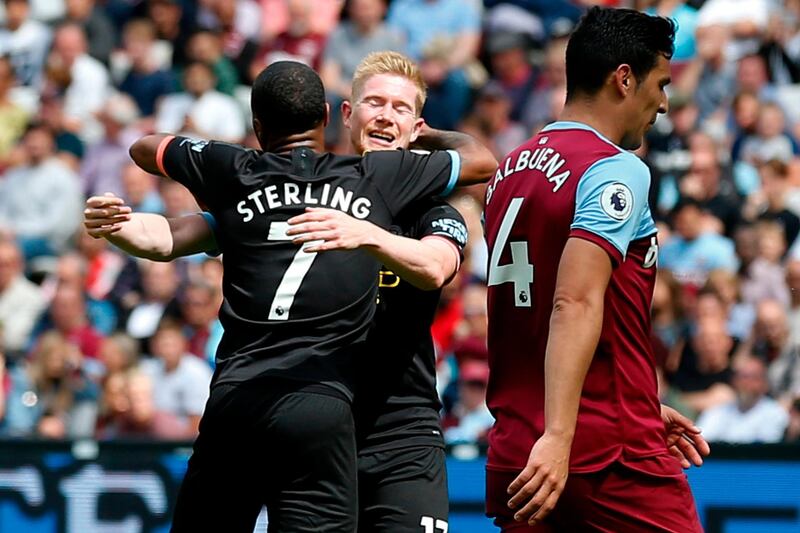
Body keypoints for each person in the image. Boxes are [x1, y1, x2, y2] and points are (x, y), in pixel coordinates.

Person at [86, 51, 487, 533]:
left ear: (418, 127)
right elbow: (177, 234)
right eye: (374, 103)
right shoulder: (317, 186)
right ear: (342, 113)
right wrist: (124, 226)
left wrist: (369, 234)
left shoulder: (423, 202)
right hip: (318, 417)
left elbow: (437, 265)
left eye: (401, 109)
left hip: (396, 433)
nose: (385, 115)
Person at [483, 7, 708, 531]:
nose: (664, 103)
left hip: (521, 448)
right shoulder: (615, 169)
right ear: (624, 79)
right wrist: (565, 435)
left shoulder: (510, 169)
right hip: (604, 453)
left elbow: (535, 310)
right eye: (660, 82)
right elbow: (574, 302)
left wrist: (641, 398)